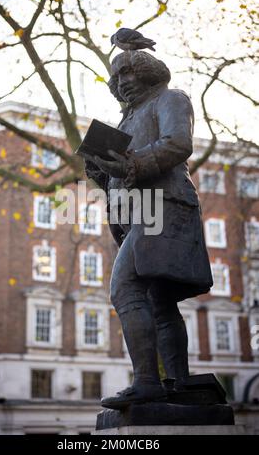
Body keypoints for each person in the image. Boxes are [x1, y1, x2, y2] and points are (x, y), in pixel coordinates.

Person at [85, 50, 213, 410]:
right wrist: (100, 168)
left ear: (147, 71)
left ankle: (147, 382)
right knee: (159, 302)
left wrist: (132, 163)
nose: (122, 82)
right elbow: (120, 172)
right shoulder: (125, 122)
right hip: (135, 216)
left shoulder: (171, 99)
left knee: (125, 287)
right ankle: (178, 383)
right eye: (117, 77)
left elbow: (177, 143)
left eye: (128, 72)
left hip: (164, 207)